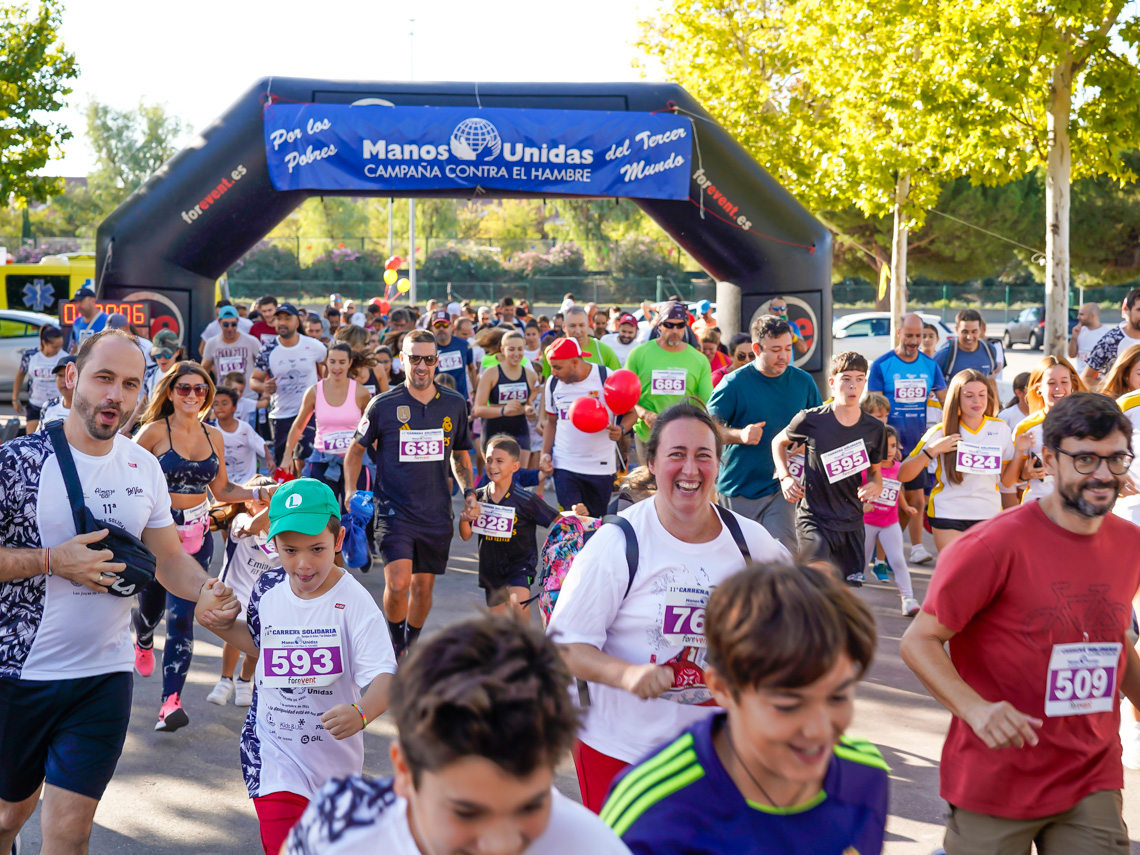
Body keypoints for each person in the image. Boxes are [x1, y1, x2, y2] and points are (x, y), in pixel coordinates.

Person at [0, 329, 239, 855]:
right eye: (104, 378)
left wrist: (207, 591)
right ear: (71, 379)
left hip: (102, 678)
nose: (116, 396)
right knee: (6, 819)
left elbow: (171, 559)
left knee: (70, 832)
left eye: (130, 384)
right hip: (19, 674)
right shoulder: (16, 462)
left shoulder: (142, 465)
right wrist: (49, 561)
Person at [900, 392, 1140, 855]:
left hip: (1091, 774)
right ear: (1048, 459)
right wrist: (975, 710)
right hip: (997, 777)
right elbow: (919, 640)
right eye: (1086, 459)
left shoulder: (1131, 545)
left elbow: (1112, 642)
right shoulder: (992, 546)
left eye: (1116, 459)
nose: (1104, 475)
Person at [547, 403, 790, 812]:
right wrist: (626, 674)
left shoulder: (753, 543)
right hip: (619, 750)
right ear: (653, 463)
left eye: (703, 456)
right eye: (677, 454)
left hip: (716, 754)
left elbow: (801, 621)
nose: (690, 469)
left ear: (718, 464)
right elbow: (563, 646)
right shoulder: (617, 543)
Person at [602, 561, 888, 854]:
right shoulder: (653, 809)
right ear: (724, 688)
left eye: (837, 697)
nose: (817, 730)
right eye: (787, 705)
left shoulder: (864, 775)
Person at [284, 617, 629, 855]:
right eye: (466, 812)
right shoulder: (338, 827)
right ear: (404, 771)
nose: (501, 844)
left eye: (530, 806)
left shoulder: (593, 846)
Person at [203, 478, 397, 855]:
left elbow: (387, 679)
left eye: (317, 549)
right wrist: (223, 626)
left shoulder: (354, 601)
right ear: (272, 544)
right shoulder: (268, 587)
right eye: (290, 550)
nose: (303, 563)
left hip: (334, 768)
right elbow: (261, 644)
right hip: (273, 754)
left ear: (337, 543)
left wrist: (361, 713)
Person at [132, 360, 273, 732]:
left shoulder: (215, 435)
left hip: (198, 536)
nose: (192, 395)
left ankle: (170, 702)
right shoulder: (151, 432)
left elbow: (222, 490)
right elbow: (123, 477)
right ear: (171, 393)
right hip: (156, 535)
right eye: (184, 388)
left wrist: (262, 491)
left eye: (200, 389)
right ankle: (143, 635)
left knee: (182, 616)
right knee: (152, 609)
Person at [344, 330, 478, 659]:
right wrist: (350, 492)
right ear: (402, 360)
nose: (421, 366)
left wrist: (470, 492)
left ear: (437, 362)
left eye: (428, 359)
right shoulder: (382, 405)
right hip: (393, 510)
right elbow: (354, 452)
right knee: (400, 583)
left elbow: (460, 455)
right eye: (414, 358)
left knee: (422, 588)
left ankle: (411, 641)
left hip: (436, 512)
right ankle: (395, 645)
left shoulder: (454, 403)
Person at [772, 351, 886, 587]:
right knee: (817, 582)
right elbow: (778, 442)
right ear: (833, 383)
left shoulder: (874, 429)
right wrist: (785, 477)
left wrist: (875, 484)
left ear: (865, 382)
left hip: (851, 523)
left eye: (859, 378)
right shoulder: (811, 419)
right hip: (814, 517)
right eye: (846, 378)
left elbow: (876, 472)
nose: (852, 385)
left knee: (841, 595)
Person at [709, 315, 821, 550]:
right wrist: (739, 435)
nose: (784, 356)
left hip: (783, 489)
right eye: (776, 350)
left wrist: (807, 443)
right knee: (740, 561)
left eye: (788, 348)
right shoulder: (734, 383)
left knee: (782, 555)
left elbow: (818, 428)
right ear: (757, 349)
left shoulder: (804, 382)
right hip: (739, 489)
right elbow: (705, 429)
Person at [895, 369, 1013, 553]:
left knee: (982, 578)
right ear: (957, 398)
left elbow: (1007, 480)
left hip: (988, 514)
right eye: (969, 396)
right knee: (957, 577)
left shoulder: (1001, 429)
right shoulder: (939, 432)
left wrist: (1023, 458)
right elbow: (903, 474)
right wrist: (933, 451)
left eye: (982, 395)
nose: (977, 401)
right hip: (947, 513)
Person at [868, 311, 948, 566]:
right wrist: (886, 444)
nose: (914, 340)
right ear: (899, 333)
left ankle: (902, 551)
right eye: (910, 335)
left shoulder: (930, 365)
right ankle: (877, 550)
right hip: (889, 449)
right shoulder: (882, 365)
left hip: (919, 446)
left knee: (915, 501)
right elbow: (873, 410)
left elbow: (947, 401)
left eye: (919, 336)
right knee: (887, 501)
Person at [459, 435, 566, 617]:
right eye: (489, 460)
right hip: (490, 567)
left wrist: (577, 516)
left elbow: (559, 521)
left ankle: (523, 644)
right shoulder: (478, 497)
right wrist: (464, 519)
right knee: (497, 620)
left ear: (515, 467)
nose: (492, 466)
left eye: (500, 461)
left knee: (519, 606)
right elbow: (466, 535)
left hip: (520, 564)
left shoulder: (527, 499)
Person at [207, 474, 278, 707]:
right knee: (234, 639)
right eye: (262, 500)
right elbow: (253, 526)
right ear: (248, 501)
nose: (268, 504)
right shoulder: (240, 520)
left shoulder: (279, 531)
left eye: (271, 500)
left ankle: (244, 680)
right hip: (233, 593)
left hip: (262, 599)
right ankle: (224, 681)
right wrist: (275, 502)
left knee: (256, 648)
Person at [281, 343, 373, 511]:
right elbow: (299, 425)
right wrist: (288, 455)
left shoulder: (361, 393)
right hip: (322, 460)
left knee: (355, 514)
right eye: (332, 361)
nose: (337, 367)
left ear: (349, 363)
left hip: (354, 461)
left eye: (342, 362)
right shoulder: (314, 391)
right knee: (323, 514)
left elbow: (372, 428)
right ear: (326, 362)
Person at [538, 338, 622, 519]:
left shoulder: (605, 376)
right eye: (551, 366)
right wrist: (545, 454)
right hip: (565, 465)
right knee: (571, 523)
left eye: (557, 367)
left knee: (595, 524)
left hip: (601, 468)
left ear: (575, 362)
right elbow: (551, 422)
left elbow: (630, 411)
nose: (553, 372)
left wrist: (621, 428)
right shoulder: (553, 383)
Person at [624, 301, 714, 464]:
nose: (675, 331)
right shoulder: (639, 354)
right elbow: (625, 396)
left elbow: (706, 403)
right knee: (650, 487)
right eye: (669, 325)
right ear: (659, 325)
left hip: (684, 439)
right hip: (647, 435)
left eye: (680, 325)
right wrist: (645, 414)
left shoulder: (699, 359)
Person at [251, 302, 328, 467]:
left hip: (310, 414)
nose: (282, 322)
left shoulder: (313, 346)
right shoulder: (267, 350)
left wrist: (327, 387)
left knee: (303, 461)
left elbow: (332, 365)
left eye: (287, 318)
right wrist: (264, 387)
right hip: (280, 416)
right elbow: (254, 380)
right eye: (279, 319)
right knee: (284, 466)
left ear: (297, 322)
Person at [862, 425, 922, 615]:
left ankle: (908, 599)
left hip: (890, 523)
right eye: (884, 445)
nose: (889, 450)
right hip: (867, 523)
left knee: (897, 560)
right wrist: (862, 505)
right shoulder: (867, 469)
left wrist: (905, 507)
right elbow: (855, 492)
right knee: (859, 564)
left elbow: (897, 491)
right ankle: (845, 602)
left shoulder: (899, 469)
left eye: (893, 445)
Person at [1012, 355, 1086, 504]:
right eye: (1051, 383)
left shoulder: (1088, 423)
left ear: (1072, 384)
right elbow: (1009, 481)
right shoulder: (1025, 427)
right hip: (1037, 508)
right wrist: (1024, 475)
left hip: (1078, 509)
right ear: (1038, 388)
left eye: (1064, 382)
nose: (1058, 388)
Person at [473, 329, 539, 468]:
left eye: (520, 349)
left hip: (520, 430)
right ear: (503, 350)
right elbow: (478, 409)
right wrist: (503, 410)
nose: (516, 354)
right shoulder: (490, 374)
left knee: (519, 479)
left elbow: (527, 404)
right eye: (512, 349)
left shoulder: (530, 375)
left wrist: (531, 412)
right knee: (498, 482)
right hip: (493, 431)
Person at [201, 305, 261, 405]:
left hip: (248, 398)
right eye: (225, 324)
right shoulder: (212, 343)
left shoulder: (252, 342)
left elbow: (263, 365)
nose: (230, 328)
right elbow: (204, 370)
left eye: (233, 324)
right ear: (219, 322)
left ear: (238, 322)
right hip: (223, 399)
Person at [13, 324, 67, 433]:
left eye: (60, 346)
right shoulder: (30, 355)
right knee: (32, 440)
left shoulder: (64, 357)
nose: (58, 349)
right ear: (44, 343)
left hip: (55, 405)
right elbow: (20, 375)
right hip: (35, 404)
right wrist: (15, 398)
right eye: (55, 347)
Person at [541, 306, 621, 378]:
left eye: (582, 325)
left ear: (588, 325)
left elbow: (617, 382)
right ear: (564, 327)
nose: (578, 331)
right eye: (573, 326)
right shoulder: (551, 352)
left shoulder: (605, 351)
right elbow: (547, 386)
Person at [1083, 288, 1140, 386]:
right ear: (1127, 311)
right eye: (1139, 310)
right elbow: (1086, 378)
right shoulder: (1111, 341)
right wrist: (1109, 395)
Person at [213, 386, 269, 485]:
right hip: (225, 485)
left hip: (248, 482)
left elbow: (260, 444)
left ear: (234, 407)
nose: (220, 407)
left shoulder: (244, 428)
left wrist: (270, 459)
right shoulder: (211, 430)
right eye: (216, 404)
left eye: (224, 403)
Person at [934, 309, 1001, 380]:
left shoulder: (989, 350)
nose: (969, 337)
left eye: (974, 331)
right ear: (957, 329)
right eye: (965, 332)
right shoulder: (945, 354)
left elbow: (991, 378)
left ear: (980, 329)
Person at [430, 310, 477, 399]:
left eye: (445, 325)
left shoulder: (464, 345)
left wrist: (475, 391)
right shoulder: (428, 348)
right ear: (432, 328)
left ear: (451, 326)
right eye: (437, 325)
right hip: (437, 399)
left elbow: (472, 369)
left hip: (461, 397)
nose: (441, 329)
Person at [1067, 301, 1112, 375]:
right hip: (1080, 379)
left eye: (1081, 314)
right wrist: (1074, 337)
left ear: (1092, 316)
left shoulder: (1108, 333)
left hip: (1099, 381)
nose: (1078, 317)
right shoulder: (1079, 331)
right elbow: (1071, 355)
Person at [36, 355, 74, 430]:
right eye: (60, 375)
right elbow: (38, 436)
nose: (64, 381)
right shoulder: (49, 405)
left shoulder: (88, 410)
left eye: (69, 376)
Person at [66, 286, 108, 353]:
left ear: (92, 300)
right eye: (76, 303)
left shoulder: (107, 320)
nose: (78, 305)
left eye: (81, 301)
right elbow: (76, 345)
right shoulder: (76, 322)